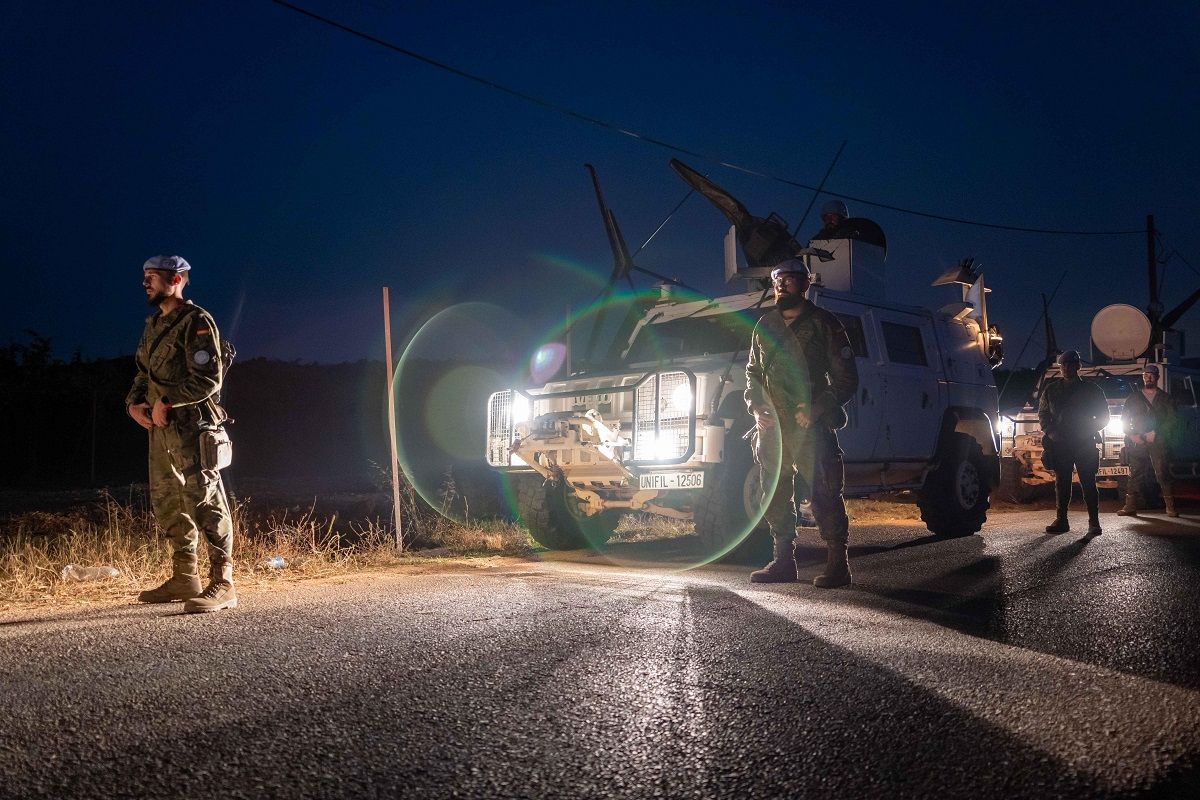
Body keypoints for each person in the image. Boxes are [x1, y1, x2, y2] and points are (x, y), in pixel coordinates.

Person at [126, 255, 237, 612]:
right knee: (168, 501)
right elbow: (143, 373)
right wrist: (134, 404)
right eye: (144, 277)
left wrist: (168, 401)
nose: (145, 282)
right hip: (161, 428)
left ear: (175, 279)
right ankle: (184, 577)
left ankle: (223, 583)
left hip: (192, 427)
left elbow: (207, 378)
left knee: (203, 498)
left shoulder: (197, 322)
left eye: (152, 277)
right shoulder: (154, 324)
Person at [745, 257, 859, 586]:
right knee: (774, 492)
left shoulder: (825, 323)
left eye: (790, 279)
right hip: (773, 428)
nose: (781, 284)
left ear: (805, 284)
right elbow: (753, 373)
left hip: (810, 425)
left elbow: (846, 377)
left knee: (823, 490)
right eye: (776, 279)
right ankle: (783, 561)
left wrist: (817, 406)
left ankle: (838, 564)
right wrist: (755, 406)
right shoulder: (765, 325)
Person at [1038, 350, 1109, 536]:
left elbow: (1103, 416)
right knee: (1062, 483)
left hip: (1084, 442)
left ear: (1078, 366)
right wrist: (1051, 432)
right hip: (1060, 443)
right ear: (1060, 367)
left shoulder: (1092, 390)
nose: (1066, 368)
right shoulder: (1051, 390)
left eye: (1070, 364)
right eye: (1063, 365)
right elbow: (1043, 414)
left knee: (1088, 483)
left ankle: (1094, 522)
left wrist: (1088, 431)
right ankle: (1061, 520)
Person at [1117, 364, 1179, 517]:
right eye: (1146, 375)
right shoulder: (1134, 398)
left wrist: (1157, 433)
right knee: (1135, 473)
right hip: (1138, 441)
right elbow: (1124, 419)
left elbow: (1172, 420)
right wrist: (1132, 435)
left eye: (1152, 375)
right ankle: (1129, 506)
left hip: (1158, 441)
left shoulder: (1166, 398)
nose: (1148, 377)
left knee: (1162, 472)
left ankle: (1170, 508)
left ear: (1157, 377)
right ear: (1143, 377)